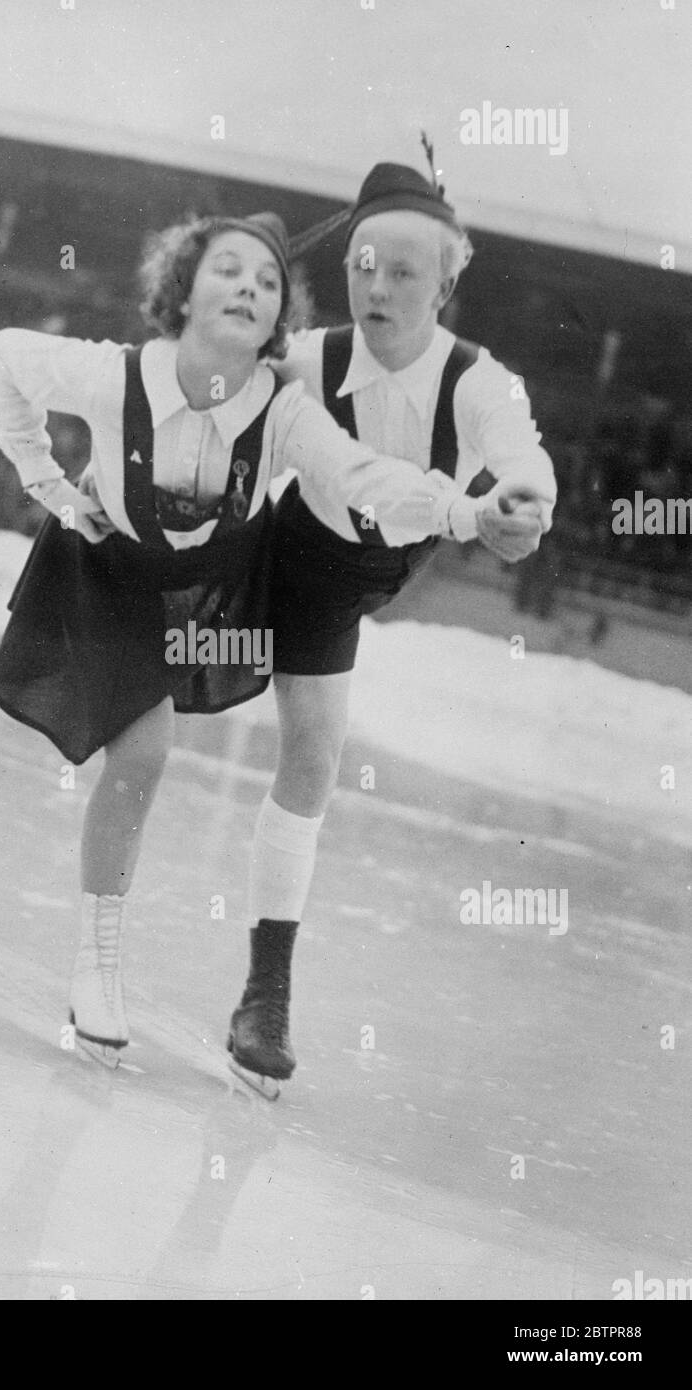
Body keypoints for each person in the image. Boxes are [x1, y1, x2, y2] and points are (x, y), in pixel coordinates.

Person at [0, 211, 477, 1074]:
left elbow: (355, 475)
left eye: (267, 281)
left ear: (279, 317)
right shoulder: (108, 375)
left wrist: (460, 509)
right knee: (142, 754)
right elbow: (3, 356)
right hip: (108, 571)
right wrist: (49, 485)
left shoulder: (282, 409)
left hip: (204, 586)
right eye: (228, 271)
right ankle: (96, 963)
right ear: (180, 292)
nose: (249, 286)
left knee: (154, 753)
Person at [224, 163, 558, 1095]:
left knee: (312, 755)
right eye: (363, 263)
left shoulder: (479, 381)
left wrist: (526, 507)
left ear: (447, 286)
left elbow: (523, 459)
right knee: (306, 755)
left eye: (404, 273)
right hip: (297, 566)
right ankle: (266, 999)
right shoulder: (309, 359)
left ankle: (260, 993)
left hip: (388, 569)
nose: (376, 284)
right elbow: (208, 366)